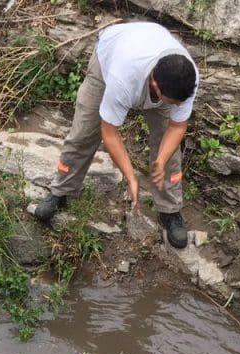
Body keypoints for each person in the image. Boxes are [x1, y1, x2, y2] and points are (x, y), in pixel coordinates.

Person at [32, 21, 198, 249]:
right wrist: (131, 177)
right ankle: (60, 191)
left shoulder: (186, 79)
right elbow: (109, 133)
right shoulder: (123, 78)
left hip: (149, 49)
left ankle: (170, 211)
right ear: (154, 83)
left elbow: (177, 127)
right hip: (109, 57)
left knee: (170, 155)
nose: (175, 106)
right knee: (83, 132)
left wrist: (160, 160)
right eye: (171, 102)